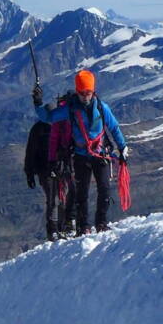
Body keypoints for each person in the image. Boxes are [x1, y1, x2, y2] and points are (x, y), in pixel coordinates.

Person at [33, 69, 128, 234]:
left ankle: (101, 223)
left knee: (104, 188)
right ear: (77, 91)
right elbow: (47, 117)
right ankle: (84, 226)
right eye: (82, 93)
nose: (85, 96)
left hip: (99, 153)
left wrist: (122, 147)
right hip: (81, 156)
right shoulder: (70, 109)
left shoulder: (101, 107)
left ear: (93, 91)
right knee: (81, 192)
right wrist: (38, 103)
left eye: (88, 92)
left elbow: (114, 127)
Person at [24, 120, 71, 240]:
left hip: (61, 167)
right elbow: (31, 150)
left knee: (62, 197)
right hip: (45, 169)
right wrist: (29, 172)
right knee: (54, 199)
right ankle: (53, 229)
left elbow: (30, 151)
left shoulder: (62, 123)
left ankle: (62, 227)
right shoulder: (39, 128)